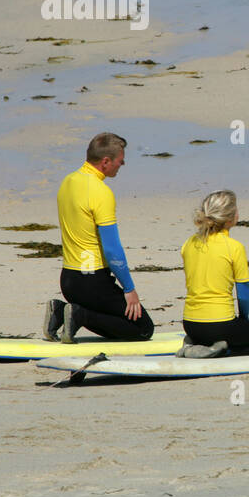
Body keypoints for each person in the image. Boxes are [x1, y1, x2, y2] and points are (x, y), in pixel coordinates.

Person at [45, 132, 154, 343]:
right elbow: (112, 249)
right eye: (119, 161)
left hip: (69, 279)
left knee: (112, 313)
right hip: (92, 281)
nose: (122, 164)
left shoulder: (68, 182)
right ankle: (79, 315)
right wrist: (129, 289)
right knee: (143, 328)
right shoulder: (100, 191)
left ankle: (60, 310)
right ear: (105, 161)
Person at [175, 191, 249, 358]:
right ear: (229, 219)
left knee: (218, 332)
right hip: (220, 325)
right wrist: (243, 320)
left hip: (190, 325)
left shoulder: (189, 243)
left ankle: (195, 343)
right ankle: (218, 350)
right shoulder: (234, 247)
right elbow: (243, 295)